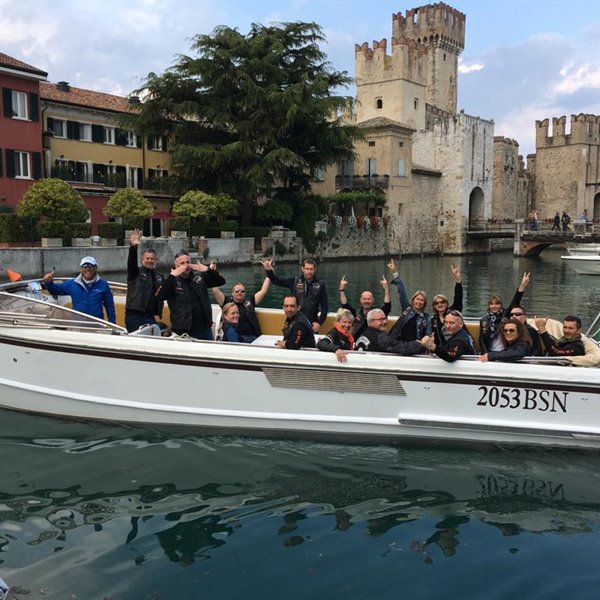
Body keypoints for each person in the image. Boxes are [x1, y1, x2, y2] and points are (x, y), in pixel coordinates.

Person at [156, 252, 225, 339]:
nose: (186, 265)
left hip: (204, 328)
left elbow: (221, 281)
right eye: (182, 263)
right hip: (183, 330)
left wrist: (208, 270)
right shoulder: (171, 281)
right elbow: (160, 296)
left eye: (188, 262)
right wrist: (172, 276)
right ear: (176, 266)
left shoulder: (199, 276)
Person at [261, 257, 328, 333]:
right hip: (294, 321)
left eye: (311, 269)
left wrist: (319, 323)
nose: (309, 271)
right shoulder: (295, 281)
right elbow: (277, 281)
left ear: (314, 269)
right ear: (302, 269)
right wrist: (269, 270)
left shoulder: (321, 284)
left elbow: (325, 307)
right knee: (291, 342)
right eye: (307, 268)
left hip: (312, 323)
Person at [43, 256, 116, 323]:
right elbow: (54, 290)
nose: (88, 268)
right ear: (81, 269)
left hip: (97, 323)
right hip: (78, 323)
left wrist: (112, 323)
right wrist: (48, 282)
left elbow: (109, 305)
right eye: (85, 266)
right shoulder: (72, 283)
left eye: (90, 266)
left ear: (95, 267)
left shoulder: (103, 284)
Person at [479, 271, 530, 354]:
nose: (494, 306)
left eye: (497, 303)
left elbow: (515, 301)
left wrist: (522, 286)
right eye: (491, 304)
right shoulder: (484, 320)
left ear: (501, 305)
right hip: (489, 352)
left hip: (505, 351)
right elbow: (482, 340)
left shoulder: (505, 315)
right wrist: (486, 354)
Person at [124, 228, 165, 332]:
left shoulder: (159, 277)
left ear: (155, 261)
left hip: (150, 316)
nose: (150, 261)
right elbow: (131, 262)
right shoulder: (135, 272)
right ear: (142, 260)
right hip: (134, 316)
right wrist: (133, 247)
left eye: (152, 259)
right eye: (147, 258)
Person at [213, 277, 270, 342]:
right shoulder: (226, 302)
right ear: (232, 293)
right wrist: (213, 273)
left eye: (242, 291)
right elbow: (216, 291)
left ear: (245, 293)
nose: (240, 293)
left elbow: (263, 291)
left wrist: (269, 273)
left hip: (253, 337)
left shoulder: (250, 302)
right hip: (235, 337)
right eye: (237, 291)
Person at [387, 259, 432, 342]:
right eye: (417, 299)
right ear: (413, 300)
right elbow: (402, 291)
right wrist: (394, 272)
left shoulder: (427, 318)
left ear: (424, 303)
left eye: (422, 300)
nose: (419, 302)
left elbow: (428, 334)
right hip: (399, 343)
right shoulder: (407, 309)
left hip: (414, 346)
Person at [355, 308, 427, 355]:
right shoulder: (380, 338)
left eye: (385, 318)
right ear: (371, 322)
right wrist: (423, 344)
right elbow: (405, 348)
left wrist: (403, 317)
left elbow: (390, 338)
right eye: (380, 319)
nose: (385, 321)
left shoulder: (364, 334)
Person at [338, 274, 391, 338]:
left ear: (373, 301)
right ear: (360, 301)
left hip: (374, 342)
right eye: (364, 299)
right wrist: (341, 290)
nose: (366, 301)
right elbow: (345, 305)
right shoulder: (355, 314)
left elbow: (387, 306)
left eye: (369, 299)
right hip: (357, 343)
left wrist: (386, 289)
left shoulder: (378, 314)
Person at [430, 264, 463, 344]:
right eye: (437, 303)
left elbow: (458, 298)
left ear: (446, 303)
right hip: (442, 349)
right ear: (434, 306)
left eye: (442, 302)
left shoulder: (453, 312)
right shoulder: (433, 320)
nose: (440, 304)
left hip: (457, 345)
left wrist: (458, 280)